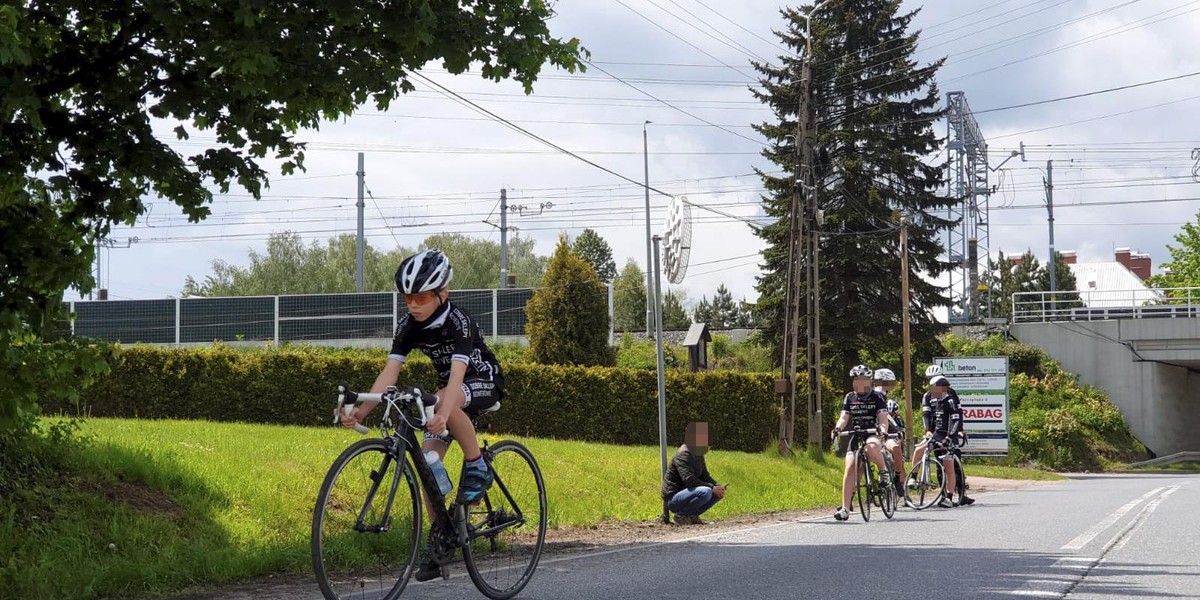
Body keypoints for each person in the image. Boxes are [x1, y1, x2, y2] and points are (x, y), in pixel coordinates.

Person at [340, 248, 505, 580]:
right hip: (448, 395)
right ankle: (441, 537)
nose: (413, 304)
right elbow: (390, 374)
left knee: (445, 396)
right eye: (407, 298)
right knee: (429, 463)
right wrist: (362, 411)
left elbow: (457, 377)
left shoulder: (459, 321)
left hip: (482, 383)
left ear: (442, 294)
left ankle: (477, 465)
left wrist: (443, 412)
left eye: (421, 297)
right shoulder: (409, 326)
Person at [830, 365, 890, 521]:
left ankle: (883, 472)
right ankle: (845, 508)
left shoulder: (877, 397)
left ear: (869, 381)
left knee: (871, 448)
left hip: (872, 432)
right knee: (849, 467)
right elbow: (844, 417)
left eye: (863, 379)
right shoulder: (850, 397)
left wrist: (883, 431)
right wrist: (837, 429)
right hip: (856, 434)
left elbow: (883, 419)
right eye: (856, 380)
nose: (859, 383)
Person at [921, 365, 974, 506]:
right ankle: (943, 495)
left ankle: (962, 493)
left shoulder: (951, 395)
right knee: (940, 465)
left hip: (949, 431)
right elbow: (926, 415)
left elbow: (957, 414)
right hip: (935, 431)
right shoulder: (927, 396)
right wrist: (928, 430)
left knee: (955, 464)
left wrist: (959, 430)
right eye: (930, 380)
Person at [662, 421, 727, 525]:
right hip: (674, 498)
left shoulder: (698, 453)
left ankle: (692, 516)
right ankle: (681, 515)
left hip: (690, 492)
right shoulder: (683, 454)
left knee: (718, 493)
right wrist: (712, 487)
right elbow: (689, 480)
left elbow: (705, 475)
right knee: (706, 491)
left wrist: (717, 486)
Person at [873, 368, 906, 493]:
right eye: (890, 382)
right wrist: (897, 428)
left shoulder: (883, 394)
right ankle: (898, 480)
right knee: (896, 449)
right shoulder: (879, 394)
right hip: (877, 432)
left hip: (880, 431)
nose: (892, 385)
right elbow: (885, 415)